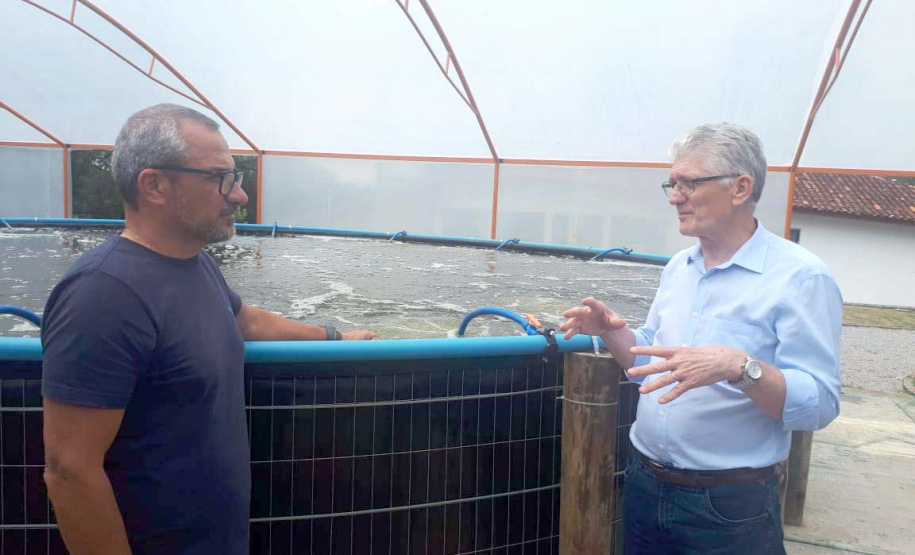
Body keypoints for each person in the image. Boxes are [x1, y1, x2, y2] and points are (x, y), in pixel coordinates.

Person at [40, 103, 378, 554]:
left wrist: (336, 339)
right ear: (154, 185)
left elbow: (247, 320)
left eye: (235, 178)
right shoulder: (104, 293)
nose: (238, 195)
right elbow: (69, 470)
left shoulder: (193, 264)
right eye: (220, 178)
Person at [560, 123, 842, 554]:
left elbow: (819, 403)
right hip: (645, 485)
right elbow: (647, 369)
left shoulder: (801, 278)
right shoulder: (679, 267)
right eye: (672, 184)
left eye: (689, 183)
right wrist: (614, 333)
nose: (675, 196)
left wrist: (739, 368)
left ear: (740, 188)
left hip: (730, 507)